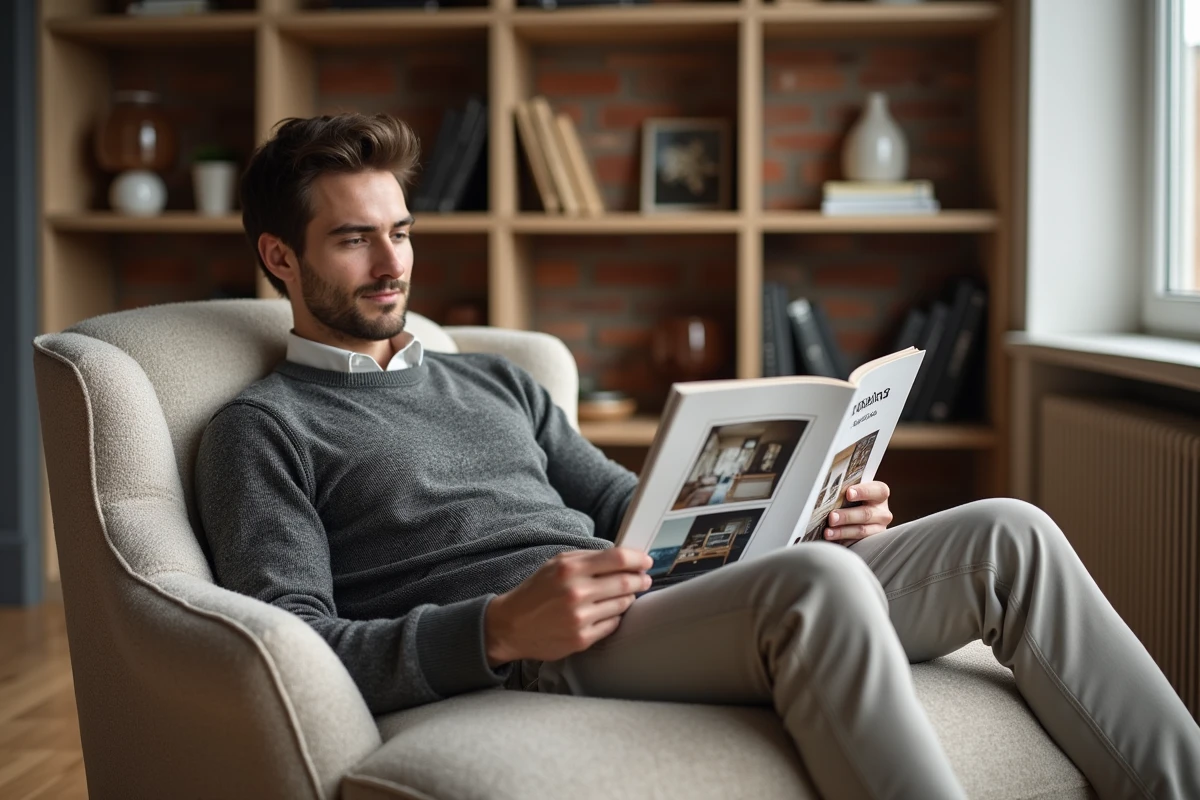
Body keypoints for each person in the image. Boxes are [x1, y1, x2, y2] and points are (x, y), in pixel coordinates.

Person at [194, 113, 1200, 800]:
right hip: (551, 650)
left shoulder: (493, 378)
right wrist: (496, 625)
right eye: (354, 241)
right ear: (280, 256)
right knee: (810, 586)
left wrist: (808, 504)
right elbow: (289, 642)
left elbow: (631, 501)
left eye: (402, 233)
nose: (393, 264)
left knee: (1007, 533)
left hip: (664, 598)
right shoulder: (264, 426)